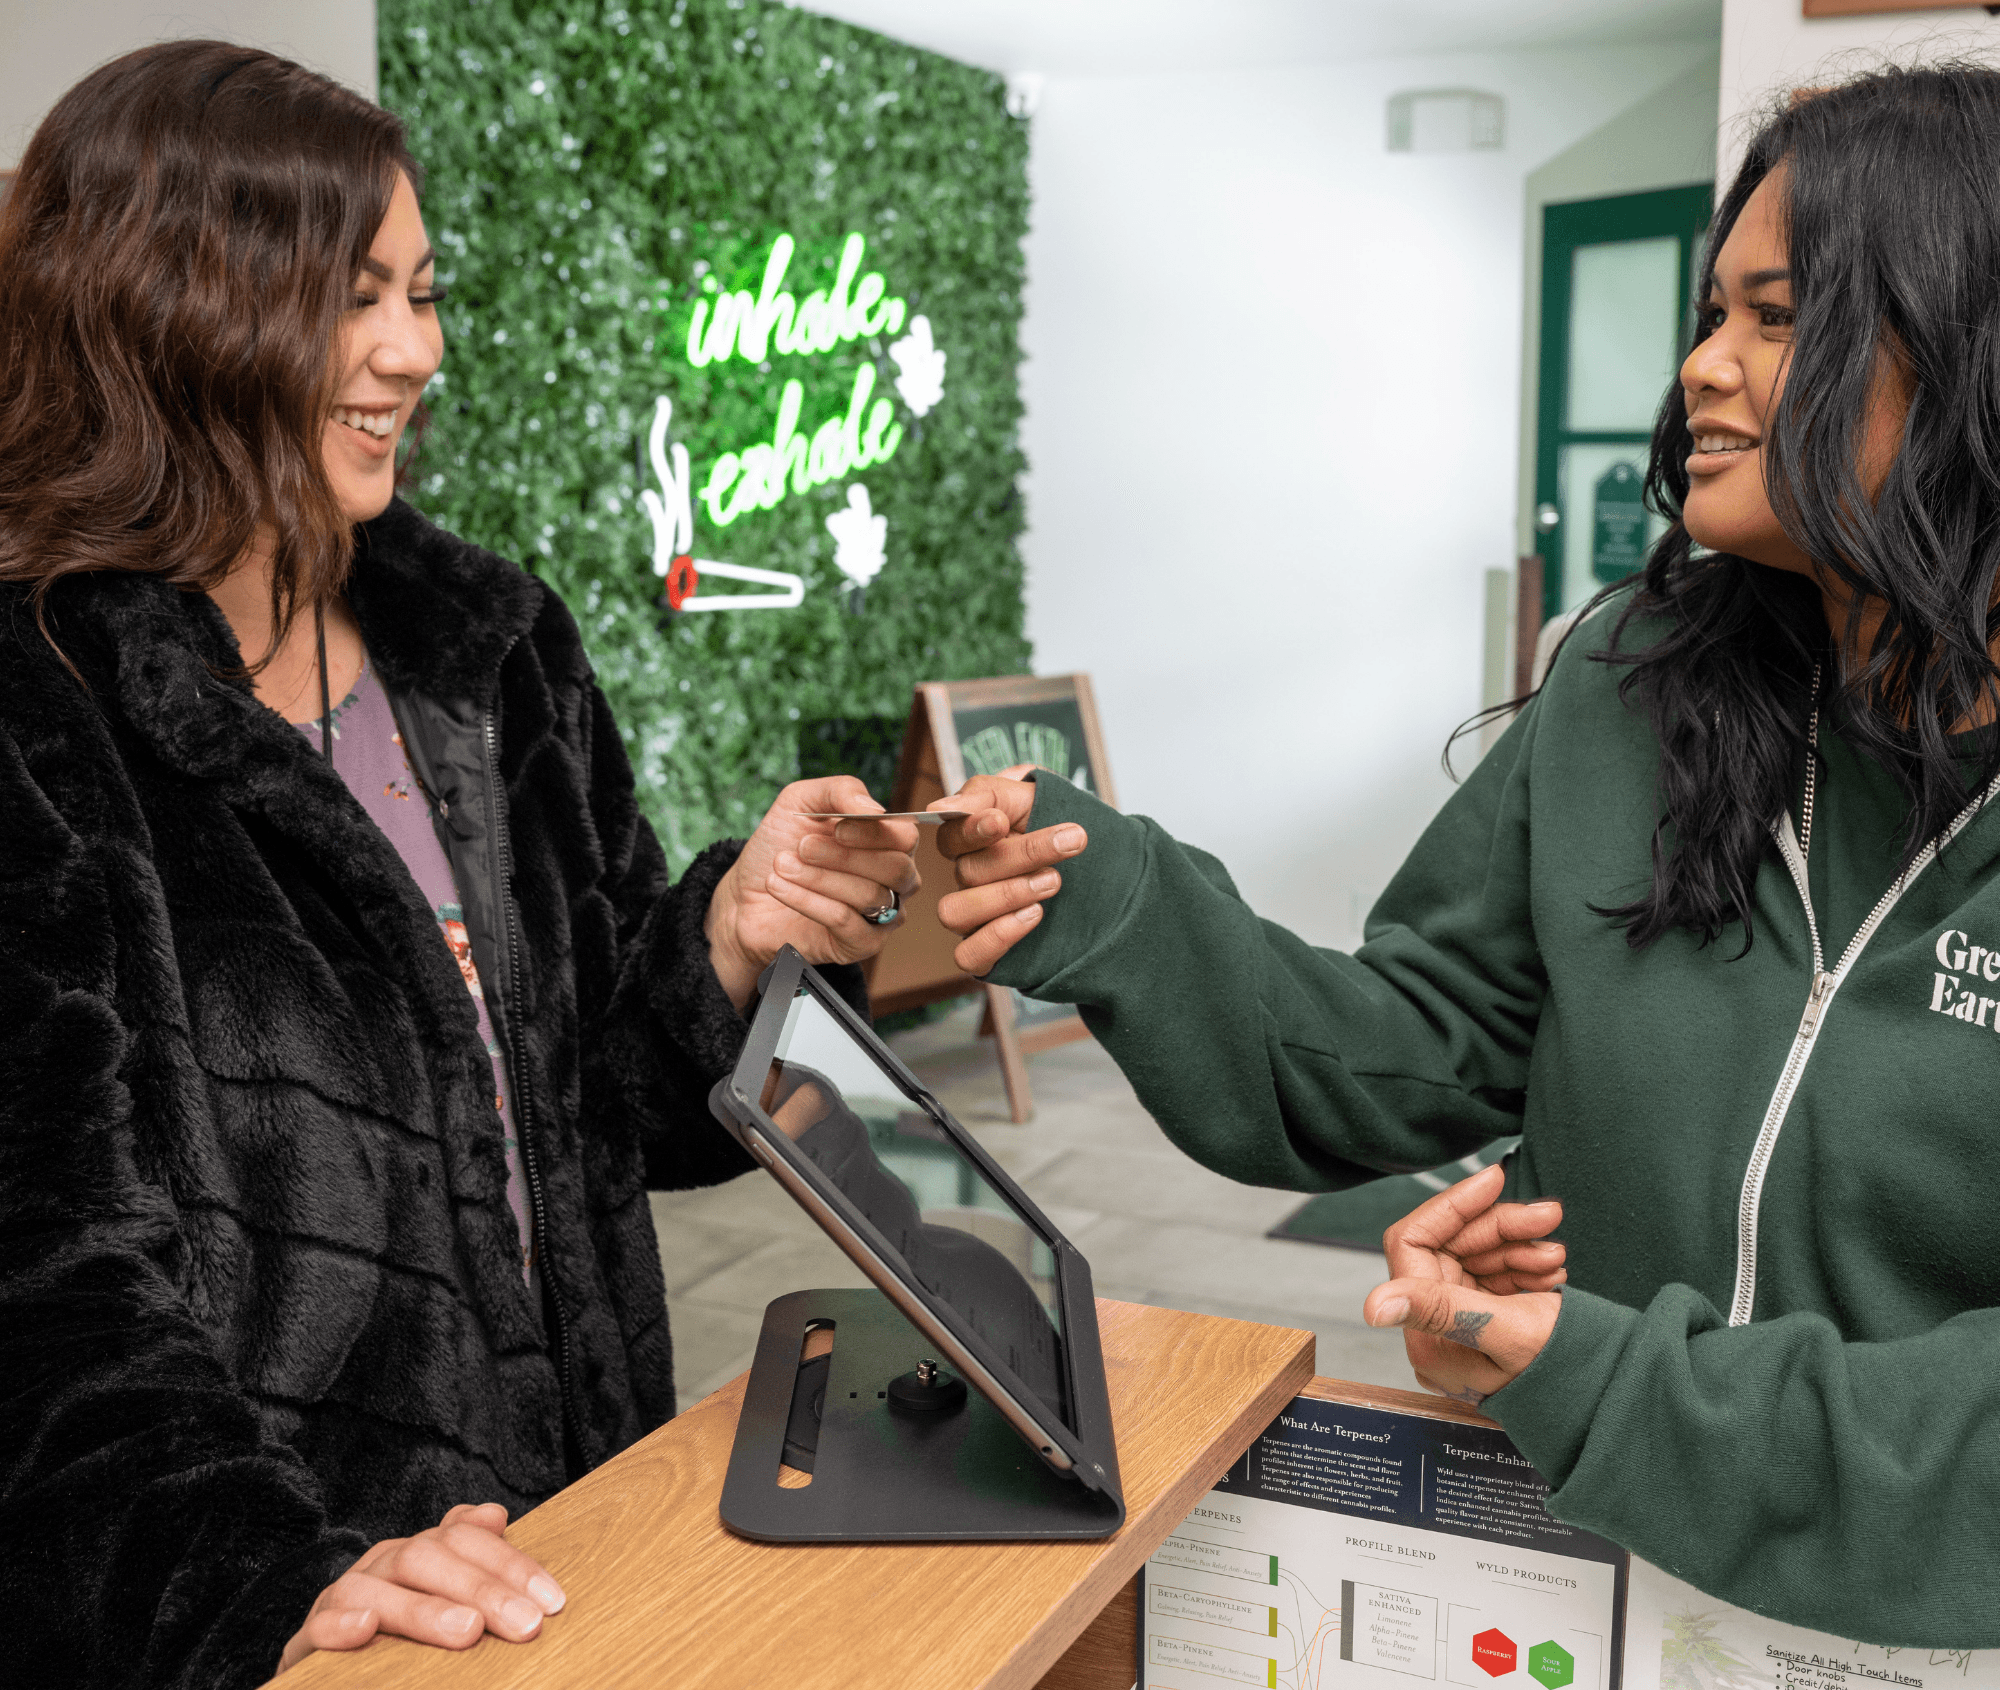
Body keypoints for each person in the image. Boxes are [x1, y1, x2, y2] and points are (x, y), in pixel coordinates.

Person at [922, 63, 2000, 1648]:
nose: (1703, 366)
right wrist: (1115, 901)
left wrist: (1611, 1374)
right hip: (1583, 1567)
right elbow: (1418, 1044)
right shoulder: (1631, 680)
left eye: (1777, 318)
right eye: (1713, 312)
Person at [0, 42, 922, 1689]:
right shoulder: (38, 704)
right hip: (297, 1627)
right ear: (178, 304)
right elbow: (46, 1280)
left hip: (571, 1556)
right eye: (358, 297)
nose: (416, 350)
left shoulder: (491, 650)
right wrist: (258, 1576)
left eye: (424, 293)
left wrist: (728, 933)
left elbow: (600, 1115)